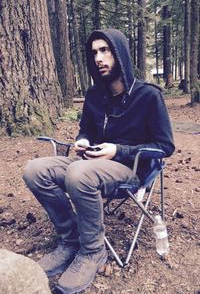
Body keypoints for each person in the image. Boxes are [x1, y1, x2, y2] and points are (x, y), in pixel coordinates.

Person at [23, 28, 175, 294]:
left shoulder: (148, 96)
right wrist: (82, 140)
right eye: (94, 52)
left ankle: (93, 251)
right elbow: (86, 130)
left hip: (130, 170)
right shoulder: (94, 95)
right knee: (35, 170)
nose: (99, 58)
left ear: (120, 53)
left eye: (105, 50)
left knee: (79, 173)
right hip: (90, 165)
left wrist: (117, 150)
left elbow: (165, 146)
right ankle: (70, 240)